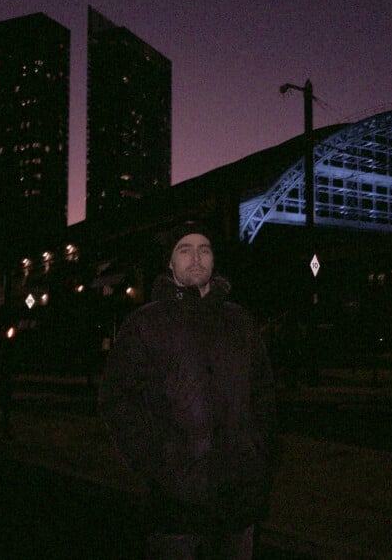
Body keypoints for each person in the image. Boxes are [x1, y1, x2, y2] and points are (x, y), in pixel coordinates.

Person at [98, 221, 277, 559]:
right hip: (176, 505)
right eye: (185, 249)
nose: (196, 257)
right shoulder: (145, 324)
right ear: (170, 262)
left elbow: (264, 393)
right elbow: (117, 399)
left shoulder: (240, 321)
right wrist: (155, 465)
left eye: (204, 249)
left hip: (240, 501)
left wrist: (260, 453)